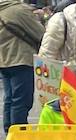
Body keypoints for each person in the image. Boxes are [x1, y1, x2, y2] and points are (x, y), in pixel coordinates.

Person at [0, 0, 45, 131]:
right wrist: (40, 18)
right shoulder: (18, 10)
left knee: (9, 99)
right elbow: (41, 33)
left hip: (4, 60)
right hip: (21, 59)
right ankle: (19, 132)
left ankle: (10, 131)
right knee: (21, 101)